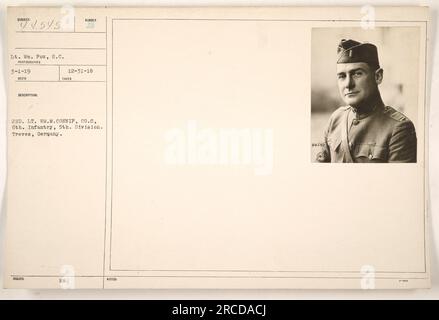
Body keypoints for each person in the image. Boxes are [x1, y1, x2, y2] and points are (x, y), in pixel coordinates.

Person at [316, 39, 417, 163]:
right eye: (342, 76)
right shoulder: (336, 119)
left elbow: (397, 181)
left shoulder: (398, 129)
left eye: (357, 74)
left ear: (378, 76)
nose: (348, 84)